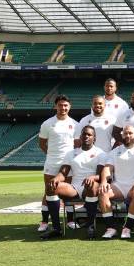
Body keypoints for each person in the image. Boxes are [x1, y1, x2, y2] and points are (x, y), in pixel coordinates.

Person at [40, 126, 105, 240]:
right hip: (74, 187)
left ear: (94, 138)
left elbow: (101, 175)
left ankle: (90, 226)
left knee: (93, 185)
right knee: (51, 187)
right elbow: (63, 173)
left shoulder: (100, 153)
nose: (86, 136)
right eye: (84, 134)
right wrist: (56, 179)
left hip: (90, 188)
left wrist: (93, 178)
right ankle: (56, 228)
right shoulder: (71, 153)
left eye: (89, 135)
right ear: (80, 137)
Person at [98, 125, 134, 239]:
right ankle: (111, 228)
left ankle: (127, 228)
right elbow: (107, 168)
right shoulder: (115, 151)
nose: (127, 135)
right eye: (125, 133)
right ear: (122, 135)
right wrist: (103, 182)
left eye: (130, 133)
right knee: (103, 192)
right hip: (119, 186)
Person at [37, 95, 79, 234]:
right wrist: (51, 155)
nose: (63, 108)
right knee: (48, 191)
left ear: (69, 107)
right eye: (60, 105)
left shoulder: (75, 124)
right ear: (55, 106)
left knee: (68, 192)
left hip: (68, 165)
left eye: (66, 105)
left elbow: (77, 144)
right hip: (52, 163)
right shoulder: (47, 123)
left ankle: (71, 220)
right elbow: (42, 143)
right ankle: (44, 221)